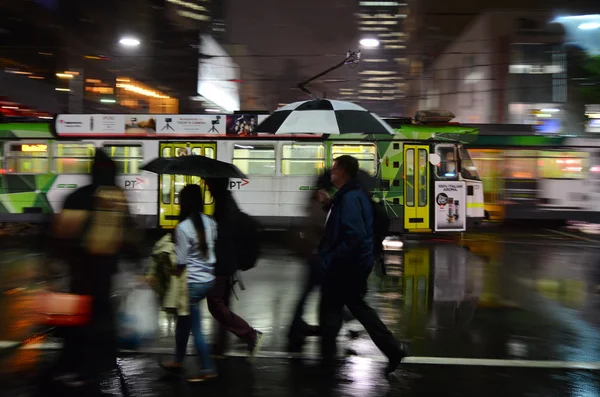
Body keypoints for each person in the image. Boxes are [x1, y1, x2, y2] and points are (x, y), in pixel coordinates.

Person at [41, 149, 142, 394]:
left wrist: (54, 267)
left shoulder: (78, 197)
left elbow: (61, 236)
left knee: (79, 325)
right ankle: (88, 371)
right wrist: (135, 259)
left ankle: (75, 370)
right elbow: (130, 236)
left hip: (80, 275)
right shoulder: (118, 199)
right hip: (102, 275)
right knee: (97, 323)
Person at [316, 155, 408, 377]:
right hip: (349, 266)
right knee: (347, 308)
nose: (331, 172)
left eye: (335, 168)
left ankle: (327, 363)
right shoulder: (348, 195)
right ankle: (391, 350)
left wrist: (331, 259)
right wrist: (328, 203)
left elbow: (353, 236)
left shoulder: (349, 198)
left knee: (337, 309)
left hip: (345, 268)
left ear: (344, 172)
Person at [159, 184, 218, 382]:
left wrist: (168, 269)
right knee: (183, 322)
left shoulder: (183, 228)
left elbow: (181, 263)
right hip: (208, 280)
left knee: (195, 327)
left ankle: (208, 368)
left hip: (191, 284)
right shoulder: (210, 222)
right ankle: (177, 360)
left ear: (183, 203)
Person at [204, 178, 263, 359]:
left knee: (215, 304)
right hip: (228, 262)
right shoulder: (226, 202)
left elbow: (222, 238)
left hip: (222, 263)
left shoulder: (223, 206)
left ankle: (250, 334)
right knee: (222, 304)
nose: (207, 186)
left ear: (216, 185)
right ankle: (220, 345)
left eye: (208, 183)